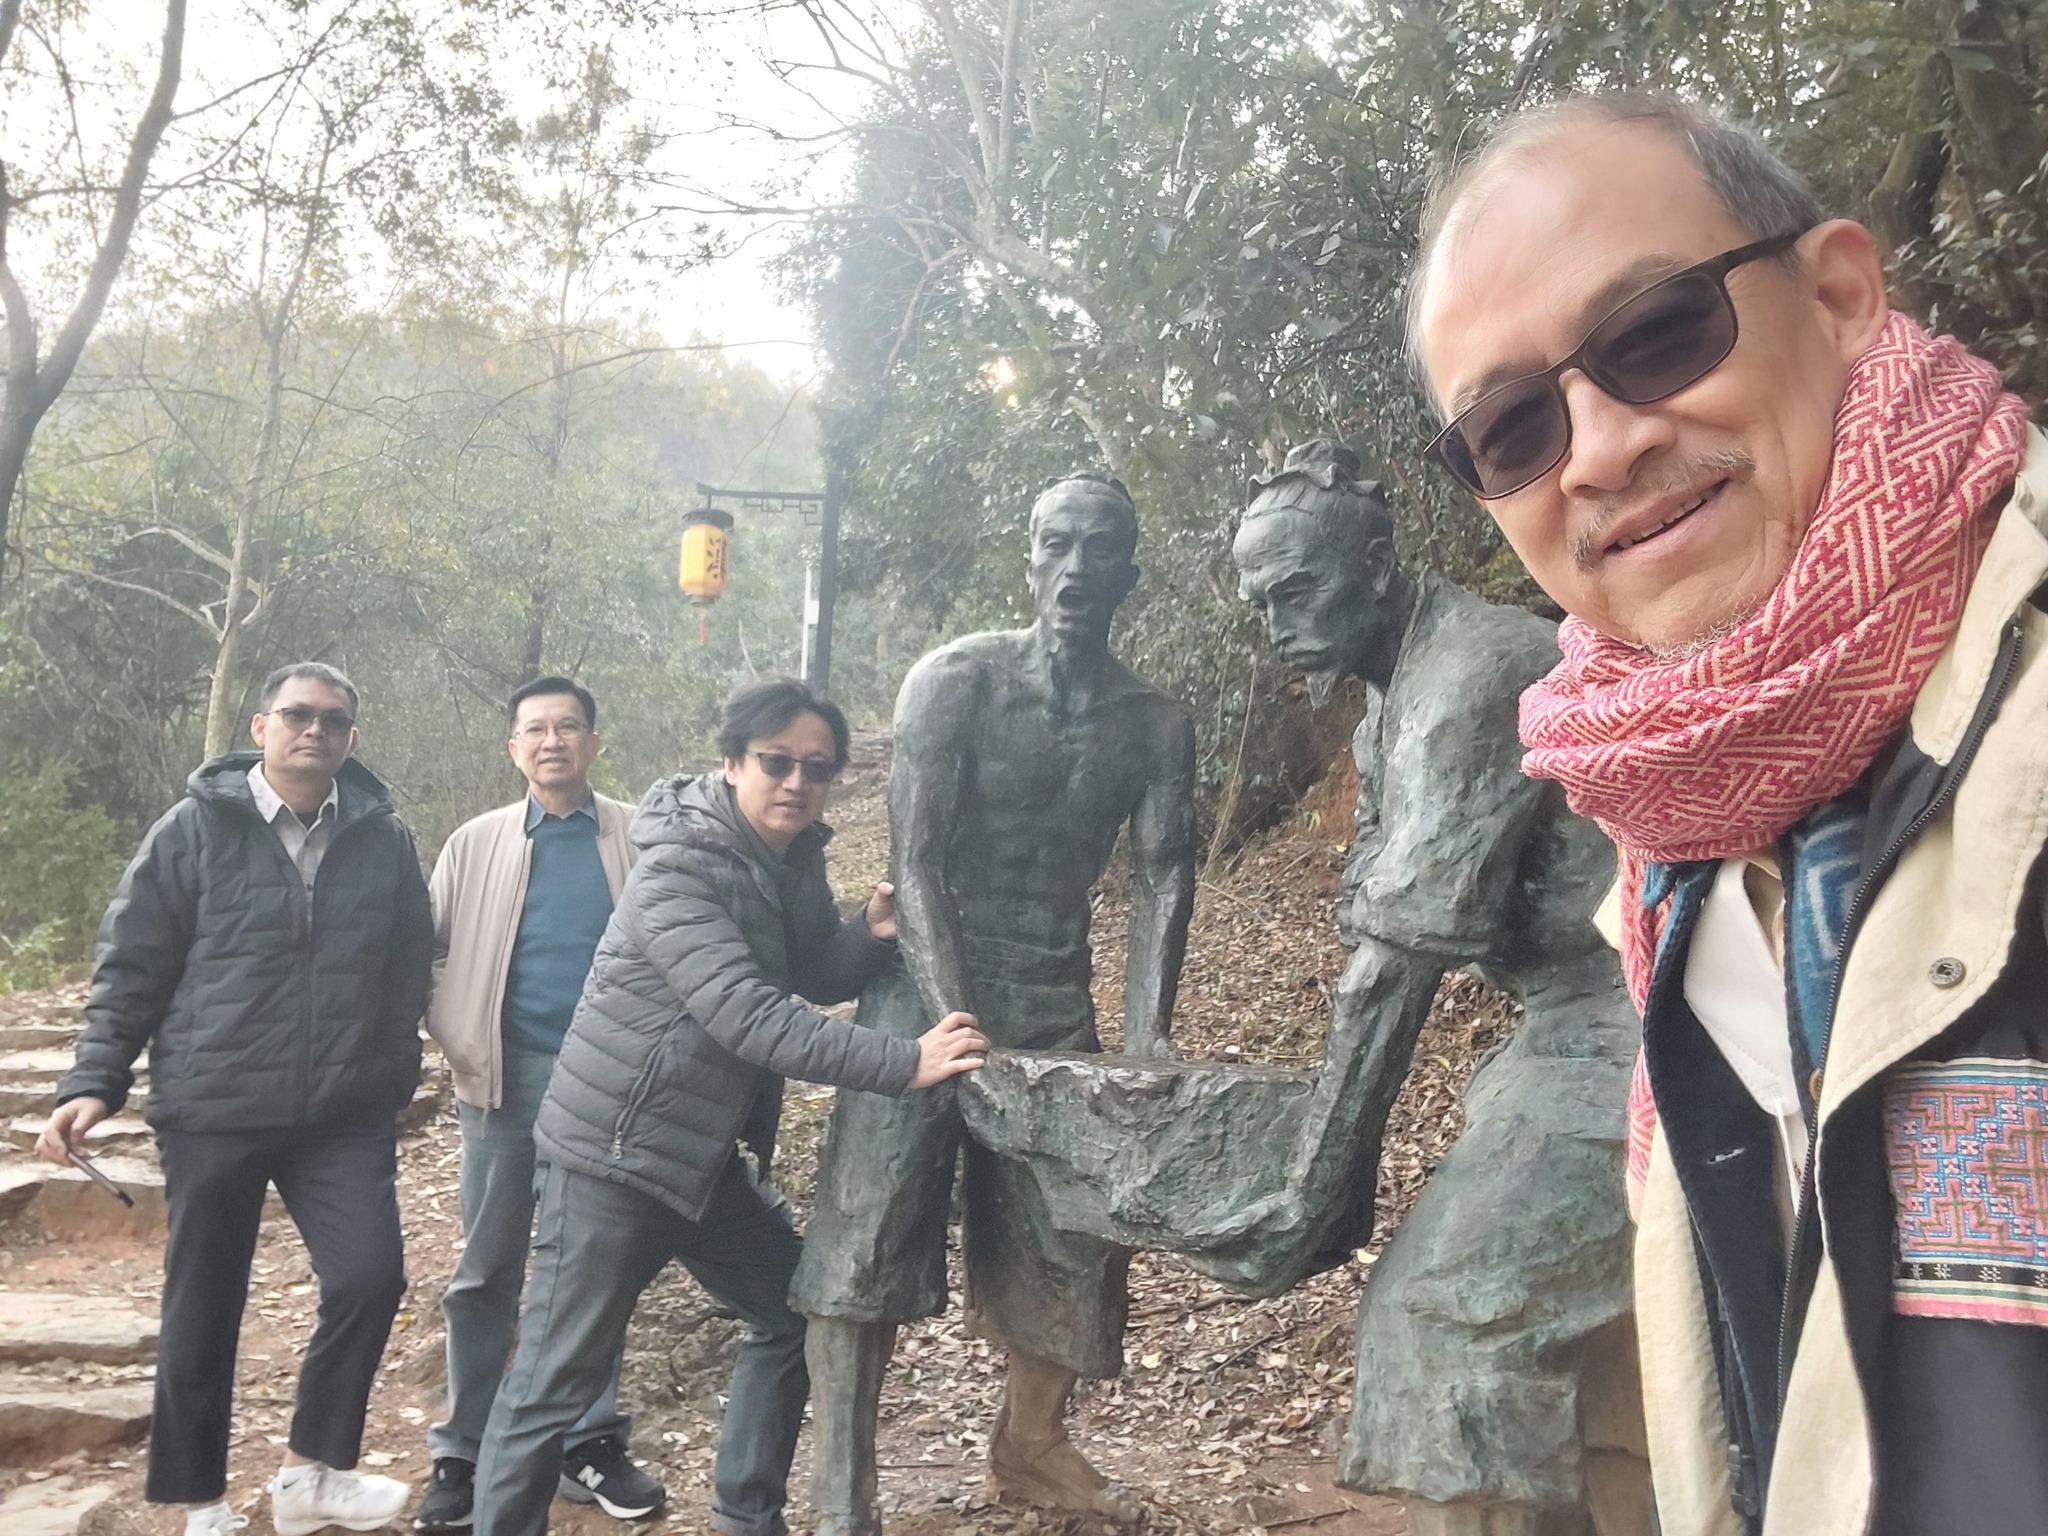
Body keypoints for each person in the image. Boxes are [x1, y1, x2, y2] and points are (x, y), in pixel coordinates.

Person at [1409, 91, 2048, 1536]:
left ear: (1837, 295)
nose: (1595, 448)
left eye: (1653, 334)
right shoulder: (1669, 821)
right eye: (1511, 428)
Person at [1232, 440, 1647, 1535]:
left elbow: (1392, 966)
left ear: (1376, 566)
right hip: (1555, 1031)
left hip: (1640, 1025)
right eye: (1259, 601)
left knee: (1440, 1316)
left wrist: (1313, 1187)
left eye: (1296, 589)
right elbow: (1371, 911)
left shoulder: (1470, 674)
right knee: (1592, 1372)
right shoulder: (1388, 700)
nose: (1275, 621)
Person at [470, 677, 988, 1536]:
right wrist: (907, 1062)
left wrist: (868, 933)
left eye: (816, 767)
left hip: (701, 1160)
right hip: (614, 1157)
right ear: (732, 763)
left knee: (794, 1313)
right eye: (776, 762)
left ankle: (748, 1518)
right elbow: (747, 1013)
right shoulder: (680, 864)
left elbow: (808, 972)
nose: (796, 782)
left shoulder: (787, 854)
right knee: (553, 1384)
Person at [792, 471, 1197, 1536]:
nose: (1074, 568)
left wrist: (1148, 1033)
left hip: (1052, 993)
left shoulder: (1154, 723)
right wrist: (952, 1024)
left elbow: (1164, 877)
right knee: (868, 1233)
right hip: (920, 994)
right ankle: (842, 1494)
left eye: (1097, 548)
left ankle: (1030, 1445)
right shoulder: (954, 683)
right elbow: (916, 865)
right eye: (1055, 543)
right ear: (1028, 557)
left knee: (1075, 1235)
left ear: (1128, 573)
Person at [37, 662, 433, 1536]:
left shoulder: (384, 839)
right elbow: (132, 964)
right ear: (261, 727)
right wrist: (94, 1080)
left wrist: (391, 1070)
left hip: (341, 1113)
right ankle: (201, 1501)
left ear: (352, 738)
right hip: (214, 1104)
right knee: (204, 1308)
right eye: (297, 714)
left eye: (333, 720)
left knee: (371, 1277)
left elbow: (408, 965)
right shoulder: (192, 828)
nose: (314, 730)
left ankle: (309, 1474)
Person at [414, 677, 657, 1530]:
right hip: (502, 1082)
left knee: (594, 1269)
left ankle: (589, 1443)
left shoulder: (638, 836)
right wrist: (455, 1026)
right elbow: (428, 951)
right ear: (514, 748)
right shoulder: (475, 842)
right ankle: (464, 1450)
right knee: (486, 1271)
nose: (553, 741)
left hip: (611, 1083)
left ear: (594, 742)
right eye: (536, 729)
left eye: (569, 726)